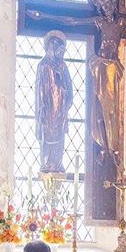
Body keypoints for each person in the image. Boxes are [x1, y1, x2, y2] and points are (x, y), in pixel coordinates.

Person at [35, 30, 73, 174]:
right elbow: (40, 88)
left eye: (61, 48)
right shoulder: (43, 65)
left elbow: (69, 85)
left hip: (60, 109)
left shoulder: (62, 66)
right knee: (47, 135)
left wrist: (66, 97)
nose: (59, 52)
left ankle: (57, 164)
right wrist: (42, 107)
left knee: (59, 135)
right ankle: (46, 164)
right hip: (48, 108)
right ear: (50, 46)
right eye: (56, 46)